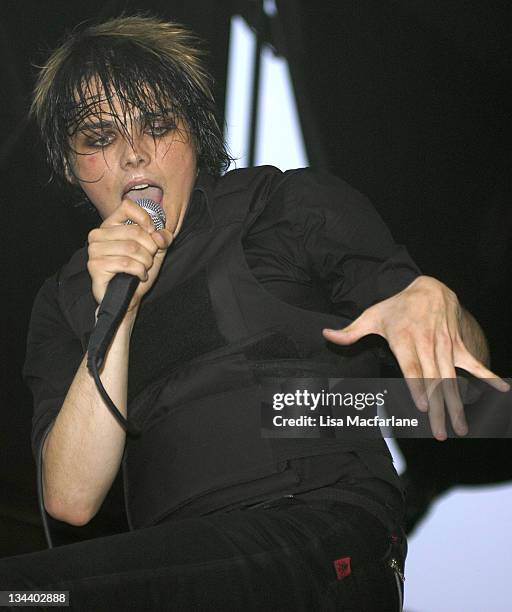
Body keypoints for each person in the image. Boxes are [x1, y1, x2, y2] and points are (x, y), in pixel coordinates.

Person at [1, 15, 506, 611]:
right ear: (68, 163)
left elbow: (472, 395)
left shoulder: (283, 208)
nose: (134, 153)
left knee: (28, 594)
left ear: (196, 134)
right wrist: (120, 307)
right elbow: (71, 498)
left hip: (321, 535)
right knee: (38, 595)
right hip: (180, 564)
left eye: (158, 124)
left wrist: (432, 308)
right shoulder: (65, 300)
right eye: (100, 137)